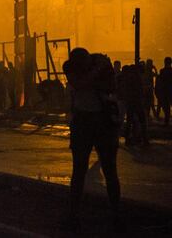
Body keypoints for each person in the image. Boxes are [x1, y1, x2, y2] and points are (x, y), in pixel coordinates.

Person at [63, 49, 121, 232]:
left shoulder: (98, 68)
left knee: (109, 170)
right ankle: (74, 215)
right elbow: (80, 84)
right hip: (85, 122)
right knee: (80, 171)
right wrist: (98, 69)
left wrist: (102, 68)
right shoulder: (73, 69)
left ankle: (116, 214)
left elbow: (111, 86)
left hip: (97, 121)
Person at [122, 63, 147, 146]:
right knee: (142, 121)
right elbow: (139, 90)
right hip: (137, 102)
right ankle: (144, 139)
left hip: (130, 102)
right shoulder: (137, 78)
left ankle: (128, 139)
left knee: (130, 121)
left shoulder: (128, 78)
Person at [155, 57, 171, 126]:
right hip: (168, 91)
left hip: (165, 91)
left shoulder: (162, 71)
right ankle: (166, 121)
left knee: (166, 108)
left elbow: (159, 82)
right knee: (166, 108)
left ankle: (166, 122)